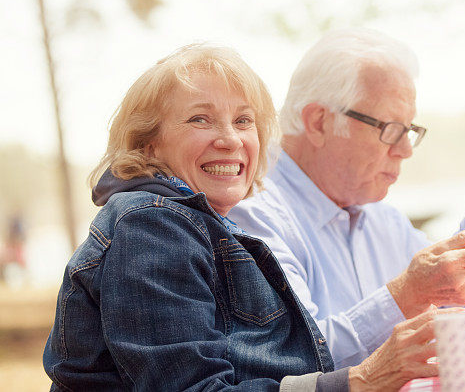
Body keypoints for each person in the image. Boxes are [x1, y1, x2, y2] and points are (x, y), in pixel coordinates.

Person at [43, 44, 441, 391]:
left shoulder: (202, 226)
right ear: (150, 142)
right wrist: (365, 380)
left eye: (243, 121)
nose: (230, 139)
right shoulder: (152, 227)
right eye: (200, 119)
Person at [229, 29, 465, 368]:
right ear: (319, 122)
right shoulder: (251, 216)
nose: (406, 150)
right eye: (391, 129)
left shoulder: (379, 217)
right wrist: (407, 294)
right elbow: (299, 362)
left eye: (409, 130)